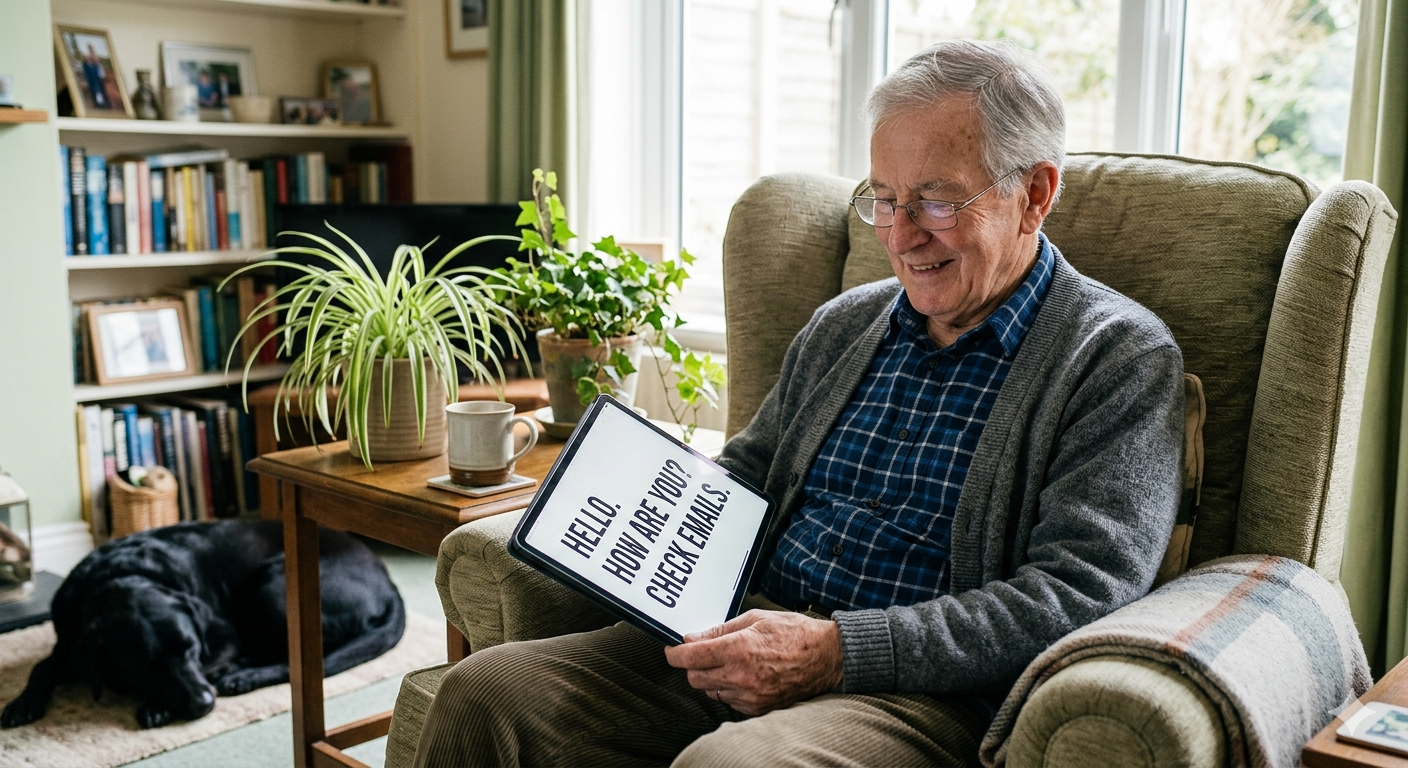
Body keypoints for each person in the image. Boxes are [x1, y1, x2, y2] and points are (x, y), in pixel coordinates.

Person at [414, 38, 1185, 767]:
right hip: (744, 630)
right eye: (884, 200)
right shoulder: (846, 323)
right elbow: (750, 470)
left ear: (1035, 194)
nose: (903, 236)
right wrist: (626, 502)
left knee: (732, 763)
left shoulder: (1116, 357)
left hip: (919, 694)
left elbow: (1077, 595)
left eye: (937, 201)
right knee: (486, 692)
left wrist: (836, 650)